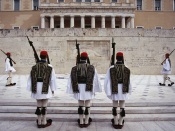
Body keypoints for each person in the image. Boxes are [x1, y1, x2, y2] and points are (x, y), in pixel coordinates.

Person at [66, 52, 102, 128]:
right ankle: (86, 121)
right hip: (88, 88)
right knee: (88, 104)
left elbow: (71, 80)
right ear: (87, 58)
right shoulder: (92, 67)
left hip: (79, 88)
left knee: (80, 104)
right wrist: (94, 90)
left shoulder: (74, 68)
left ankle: (81, 121)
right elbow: (95, 79)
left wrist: (72, 89)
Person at [27, 50, 57, 128]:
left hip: (36, 88)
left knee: (38, 105)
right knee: (44, 105)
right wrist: (53, 89)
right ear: (46, 57)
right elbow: (52, 79)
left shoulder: (34, 67)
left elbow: (30, 79)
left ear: (40, 56)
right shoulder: (50, 67)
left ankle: (39, 121)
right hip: (45, 87)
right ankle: (44, 122)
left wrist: (31, 89)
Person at [104, 52, 132, 129]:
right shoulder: (127, 68)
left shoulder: (111, 68)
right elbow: (129, 81)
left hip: (114, 89)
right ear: (122, 58)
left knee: (115, 105)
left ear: (116, 58)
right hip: (124, 89)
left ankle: (115, 121)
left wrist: (107, 90)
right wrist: (129, 90)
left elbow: (107, 80)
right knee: (122, 106)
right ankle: (120, 122)